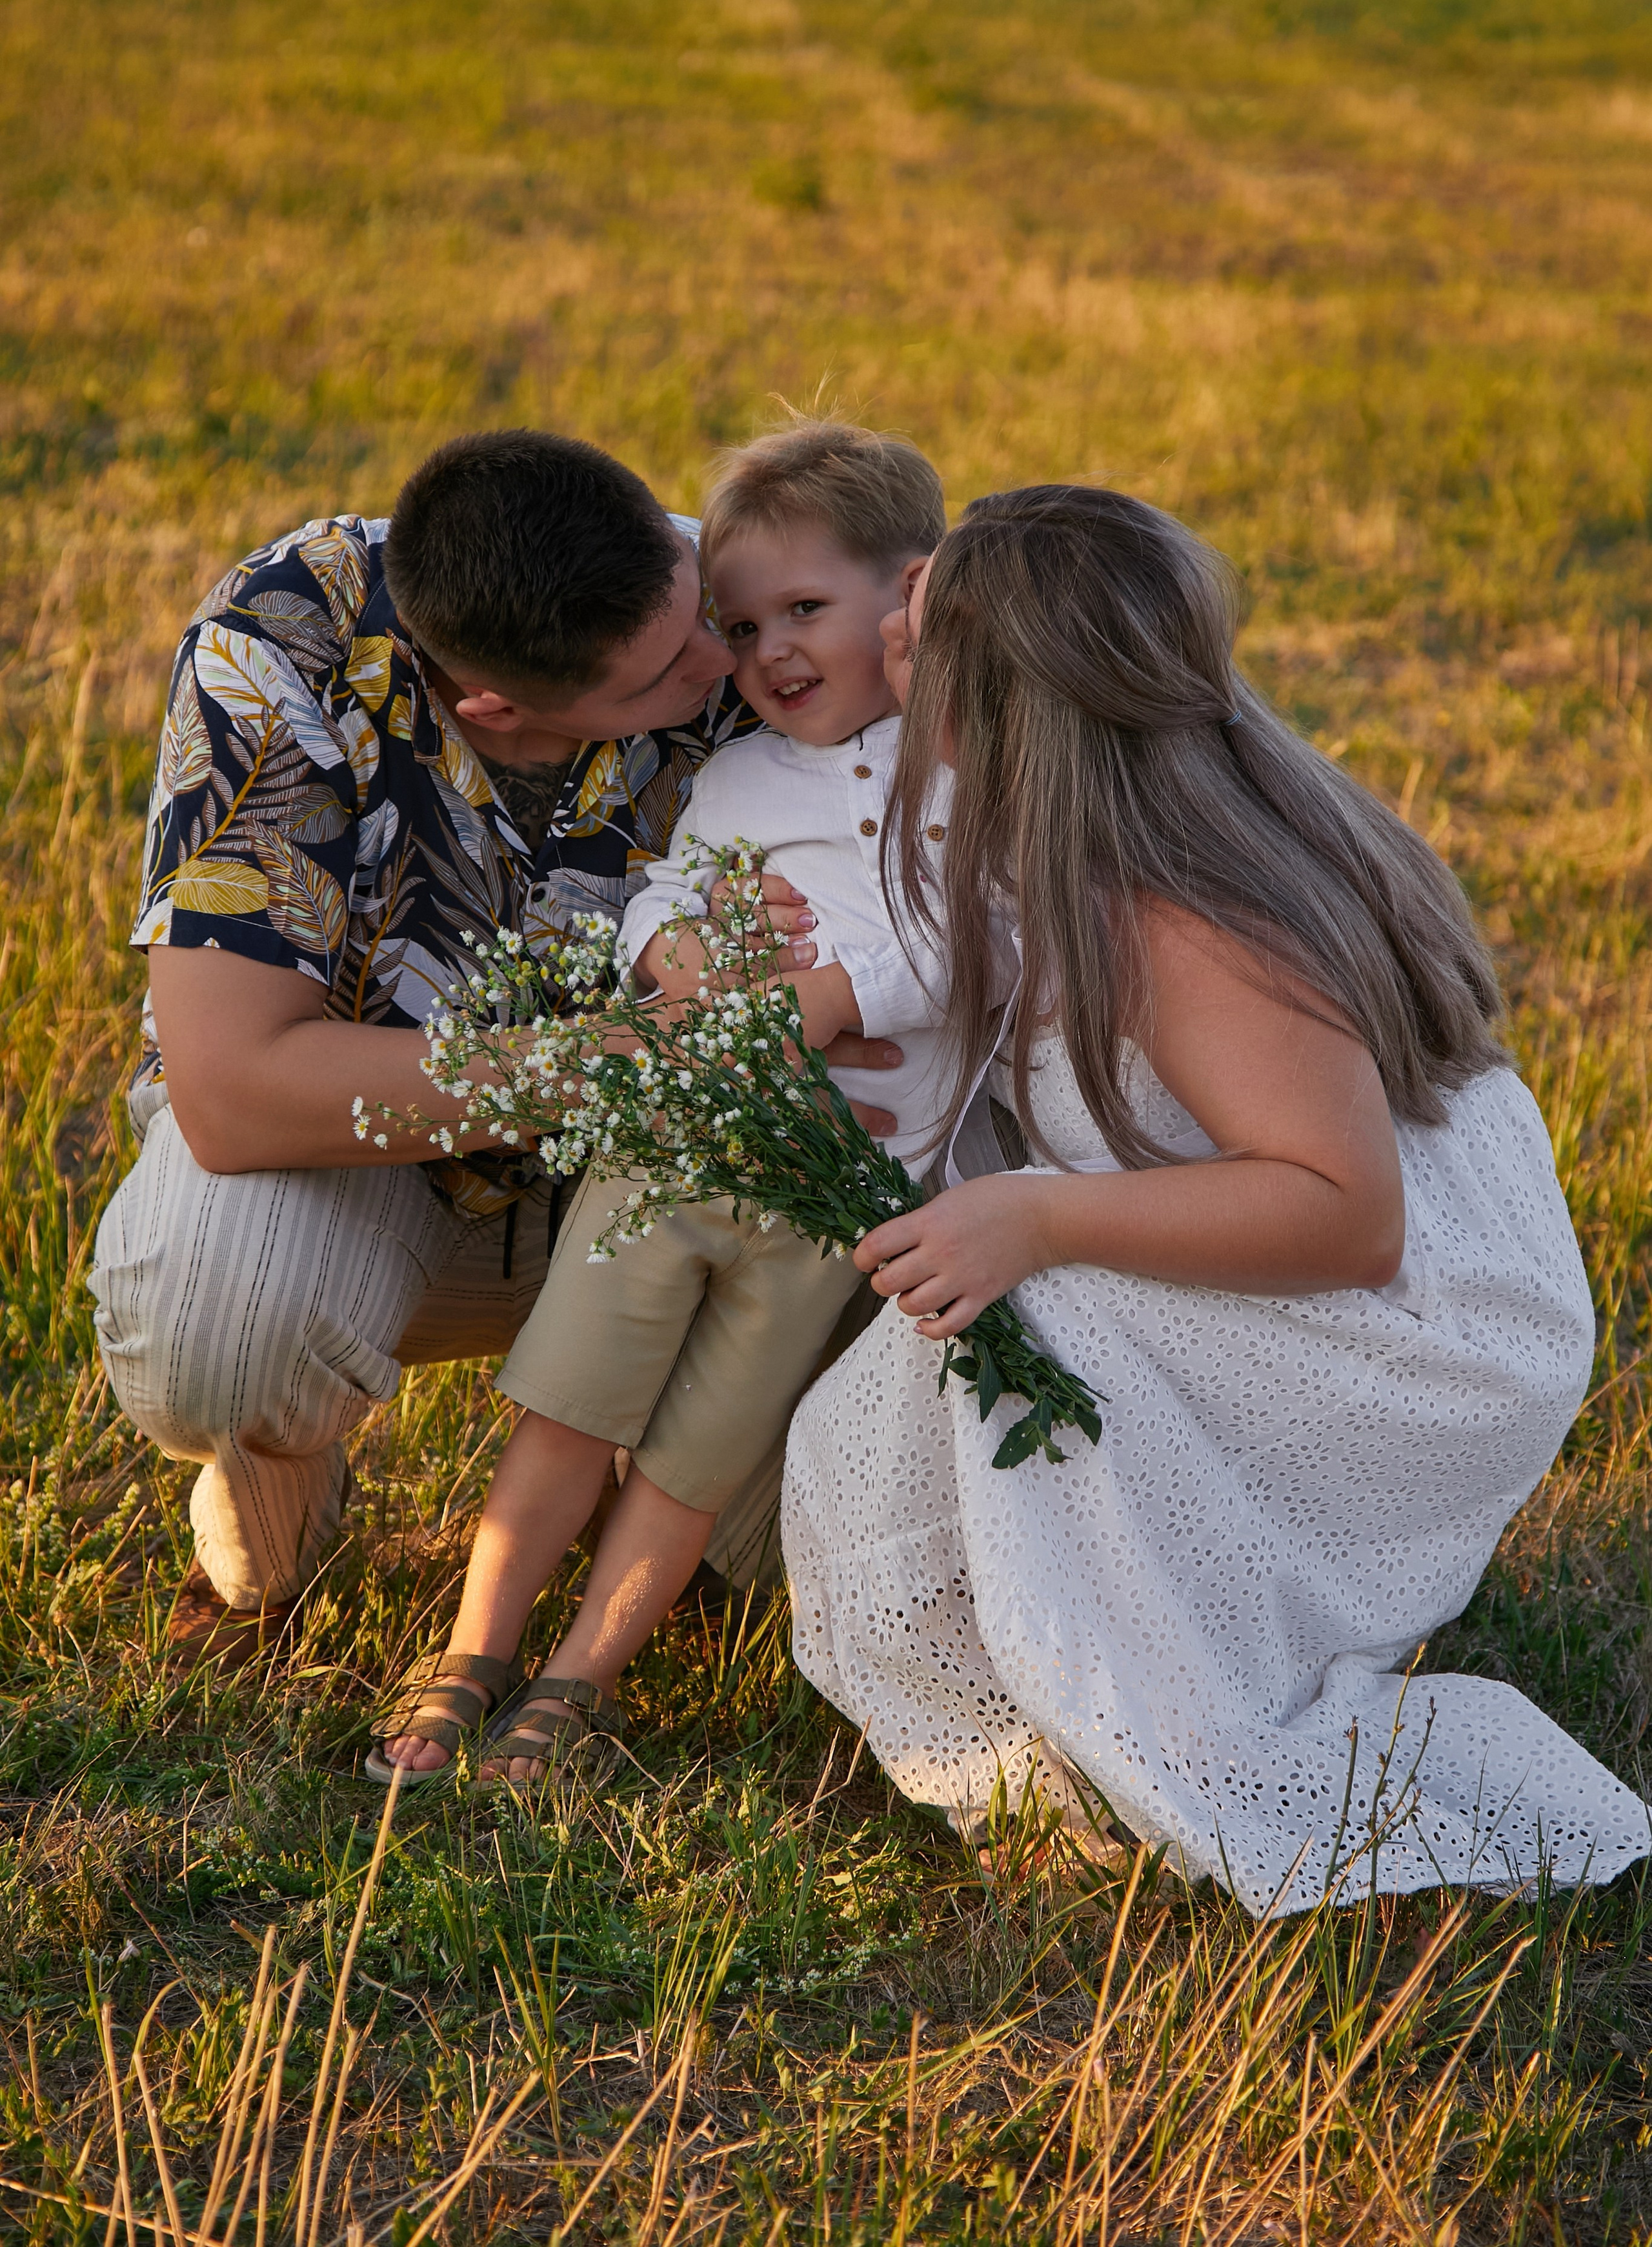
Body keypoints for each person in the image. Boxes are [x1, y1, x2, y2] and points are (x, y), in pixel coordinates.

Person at [782, 483, 1651, 1915]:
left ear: (990, 706)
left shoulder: (1177, 918)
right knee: (908, 1390)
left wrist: (1041, 1215)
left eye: (916, 627)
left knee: (1036, 1329)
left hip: (1415, 1321)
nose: (885, 630)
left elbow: (1344, 1216)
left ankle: (1149, 1717)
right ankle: (1061, 1638)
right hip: (1348, 1261)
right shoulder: (1101, 815)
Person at [90, 428, 898, 1663]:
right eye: (662, 675)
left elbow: (1009, 662)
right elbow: (233, 1092)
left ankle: (641, 1485)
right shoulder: (291, 634)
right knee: (217, 1321)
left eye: (703, 614)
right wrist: (626, 1061)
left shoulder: (732, 590)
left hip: (693, 1187)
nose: (724, 661)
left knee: (856, 1521)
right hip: (376, 1180)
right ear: (496, 707)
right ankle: (280, 1477)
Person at [372, 420, 949, 1785]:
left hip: (837, 1199)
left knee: (697, 1459)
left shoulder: (973, 770)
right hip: (679, 1148)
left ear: (913, 596)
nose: (767, 655)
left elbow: (983, 943)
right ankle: (472, 1651)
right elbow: (667, 888)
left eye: (804, 610)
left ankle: (578, 1682)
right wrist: (672, 951)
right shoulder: (741, 770)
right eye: (741, 627)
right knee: (568, 1406)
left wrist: (817, 1001)